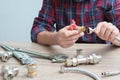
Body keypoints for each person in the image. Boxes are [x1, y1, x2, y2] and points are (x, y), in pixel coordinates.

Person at [31, 0, 120, 48]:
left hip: (102, 58)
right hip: (64, 57)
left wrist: (114, 35)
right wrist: (56, 38)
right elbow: (37, 31)